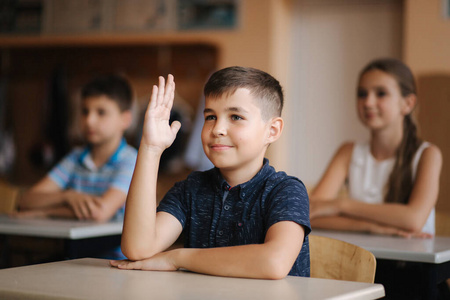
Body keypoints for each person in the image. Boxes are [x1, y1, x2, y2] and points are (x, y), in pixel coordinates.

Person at [110, 67, 311, 279]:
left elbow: (273, 263)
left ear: (272, 131)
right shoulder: (191, 189)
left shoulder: (286, 191)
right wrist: (150, 149)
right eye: (210, 117)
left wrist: (176, 259)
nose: (217, 129)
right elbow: (137, 248)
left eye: (235, 117)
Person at [309, 58, 442, 238]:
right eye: (362, 94)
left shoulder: (427, 154)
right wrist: (371, 227)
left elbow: (414, 220)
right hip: (366, 259)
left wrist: (340, 205)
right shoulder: (347, 152)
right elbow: (310, 214)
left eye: (381, 93)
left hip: (417, 263)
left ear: (407, 104)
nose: (368, 102)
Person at [17, 74, 138, 223]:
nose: (89, 121)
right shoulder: (75, 157)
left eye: (101, 112)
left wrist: (44, 213)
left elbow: (98, 213)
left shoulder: (132, 161)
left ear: (125, 119)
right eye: (85, 111)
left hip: (115, 247)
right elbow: (26, 200)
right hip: (72, 246)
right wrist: (67, 196)